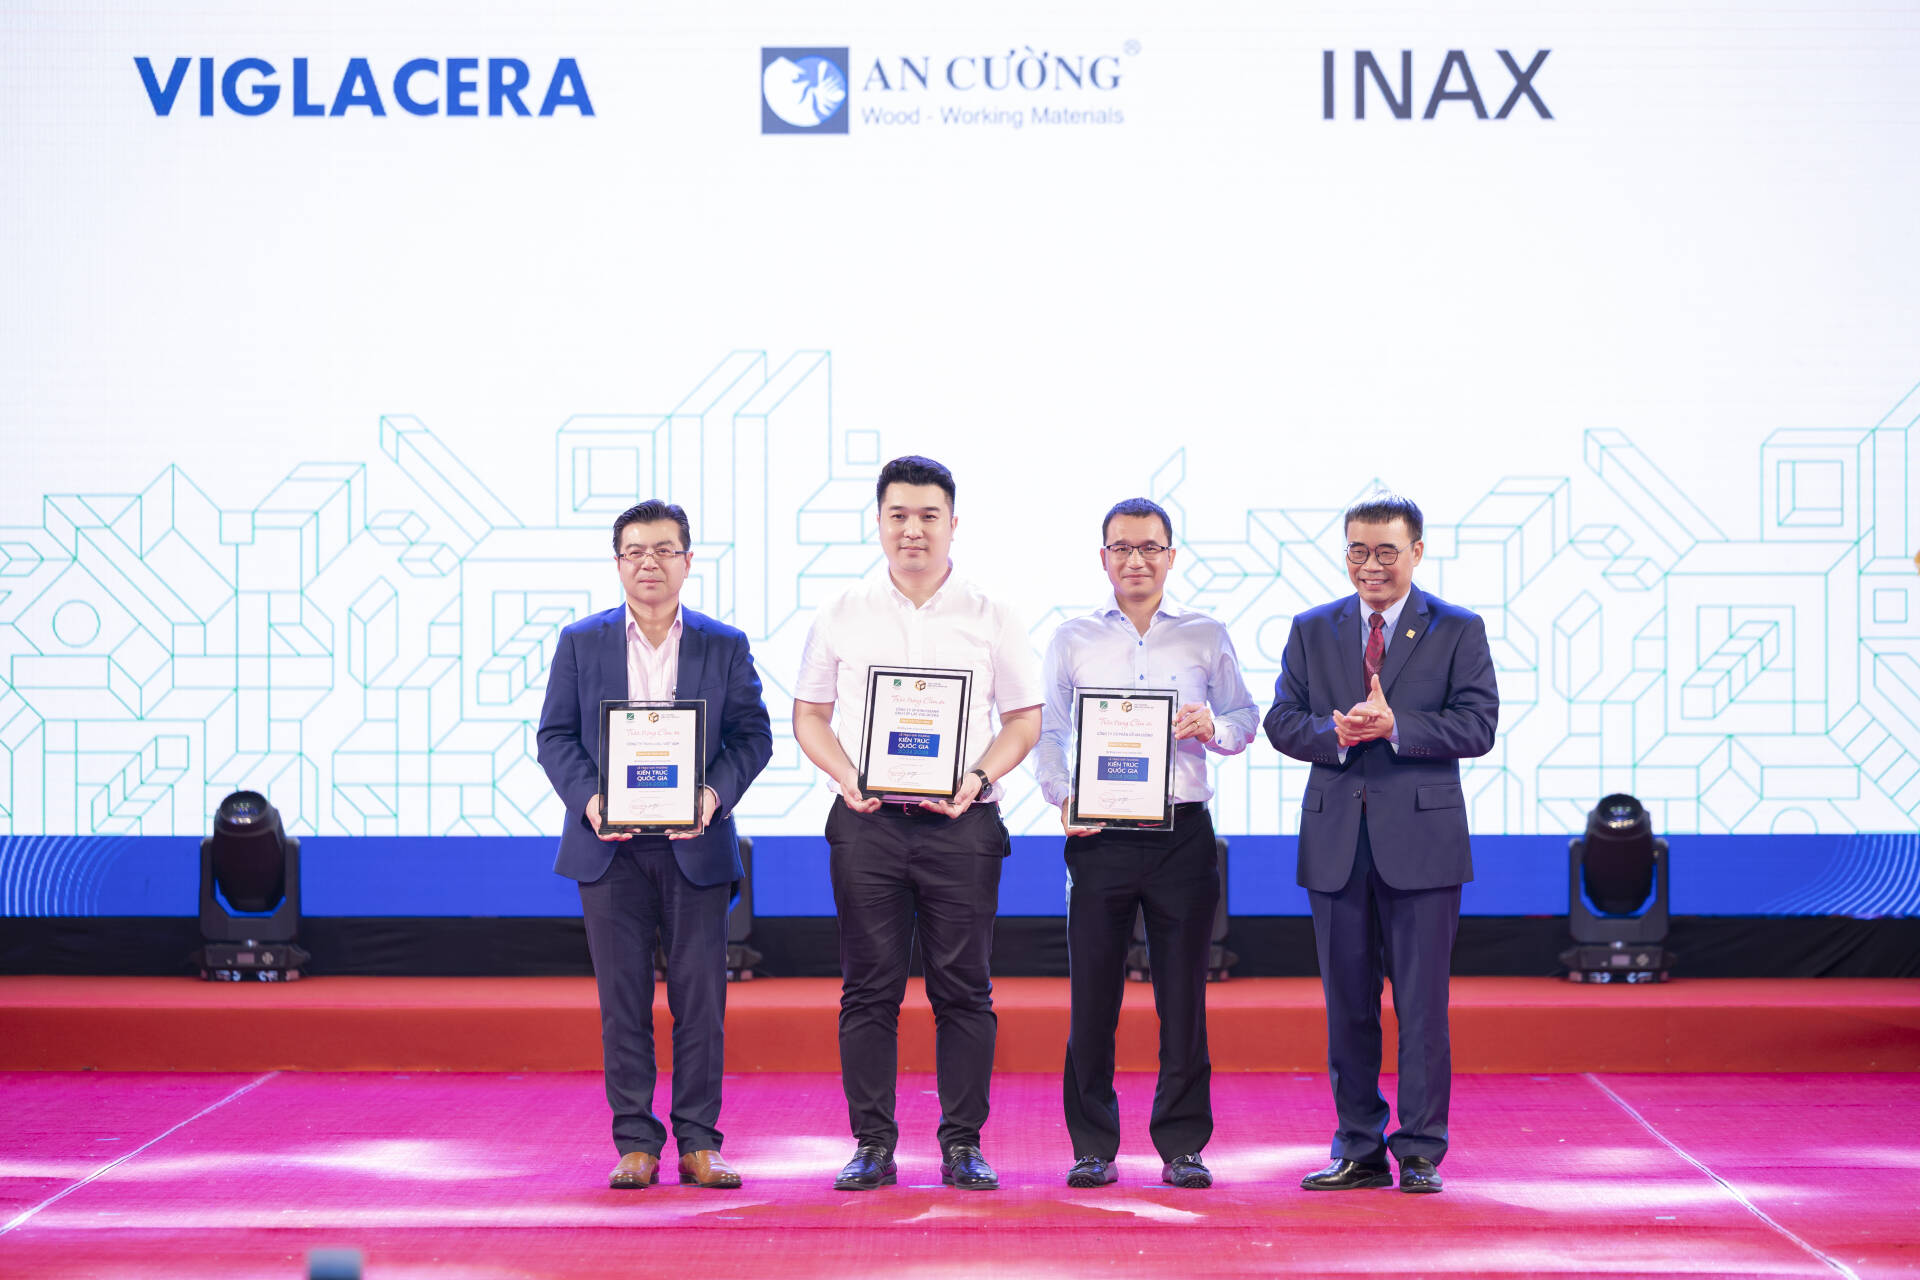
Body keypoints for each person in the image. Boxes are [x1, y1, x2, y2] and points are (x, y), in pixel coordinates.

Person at [792, 455, 1044, 1192]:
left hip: (962, 826)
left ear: (953, 523)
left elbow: (1023, 719)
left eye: (928, 515)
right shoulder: (841, 613)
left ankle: (962, 1144)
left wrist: (977, 779)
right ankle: (872, 1144)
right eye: (898, 515)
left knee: (963, 989)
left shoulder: (993, 616)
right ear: (878, 522)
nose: (913, 529)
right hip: (866, 823)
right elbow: (810, 716)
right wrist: (847, 775)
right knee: (868, 990)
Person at [1263, 493, 1498, 1195]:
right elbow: (1281, 720)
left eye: (1387, 551)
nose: (1371, 565)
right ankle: (1359, 1148)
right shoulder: (1313, 628)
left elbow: (1478, 726)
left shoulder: (1457, 628)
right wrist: (1330, 733)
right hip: (1337, 844)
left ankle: (1420, 1150)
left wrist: (1399, 727)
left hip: (1423, 845)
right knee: (1348, 1008)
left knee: (1422, 1008)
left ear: (1416, 552)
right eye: (1358, 551)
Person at [536, 499, 773, 1190]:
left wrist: (711, 796)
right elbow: (554, 736)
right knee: (623, 1001)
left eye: (664, 550)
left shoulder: (723, 644)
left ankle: (700, 1142)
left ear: (687, 561)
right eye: (635, 551)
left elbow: (752, 737)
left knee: (701, 1003)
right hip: (608, 848)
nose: (650, 563)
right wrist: (591, 800)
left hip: (694, 845)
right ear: (618, 563)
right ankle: (636, 1142)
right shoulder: (580, 642)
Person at [1035, 498, 1259, 1190]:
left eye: (1150, 548)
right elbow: (1051, 733)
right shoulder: (1072, 637)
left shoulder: (1205, 634)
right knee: (1092, 1000)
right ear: (1103, 557)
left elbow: (1245, 717)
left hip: (1181, 836)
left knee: (1183, 1000)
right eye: (1122, 548)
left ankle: (1183, 1145)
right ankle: (1092, 1145)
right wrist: (1061, 797)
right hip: (1099, 835)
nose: (1136, 560)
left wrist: (1213, 728)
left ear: (1171, 555)